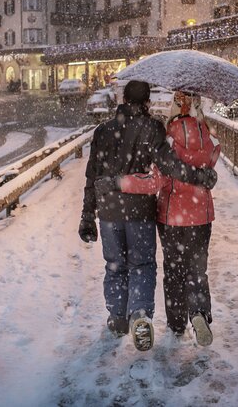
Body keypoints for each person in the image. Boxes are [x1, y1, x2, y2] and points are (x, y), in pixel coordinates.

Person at [79, 80, 217, 352]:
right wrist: (198, 176)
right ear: (147, 102)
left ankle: (118, 318)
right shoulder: (153, 128)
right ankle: (140, 314)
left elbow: (92, 175)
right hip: (140, 211)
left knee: (115, 266)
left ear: (122, 99)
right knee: (142, 265)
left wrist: (87, 213)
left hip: (108, 211)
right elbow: (169, 166)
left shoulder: (103, 130)